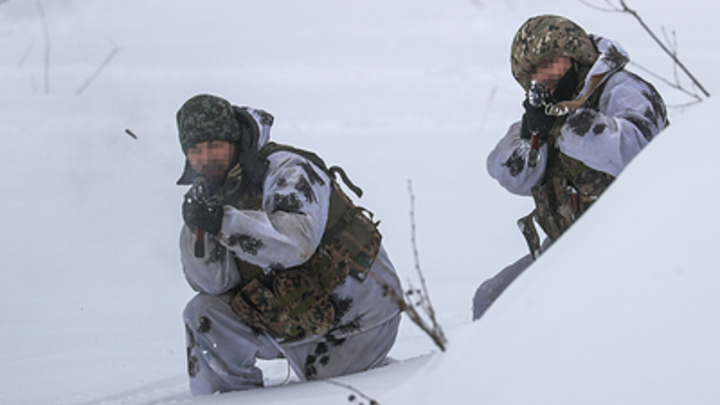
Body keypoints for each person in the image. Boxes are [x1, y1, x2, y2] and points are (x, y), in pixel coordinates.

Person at [176, 94, 402, 395]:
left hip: (359, 320)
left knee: (330, 389)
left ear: (234, 141)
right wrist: (198, 228)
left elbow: (296, 244)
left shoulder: (289, 169)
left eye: (215, 146)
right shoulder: (214, 194)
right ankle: (227, 399)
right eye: (196, 151)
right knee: (203, 314)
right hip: (294, 317)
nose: (206, 159)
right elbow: (214, 284)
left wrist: (223, 222)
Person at [473, 15, 668, 320]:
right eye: (534, 72)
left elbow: (639, 151)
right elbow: (509, 176)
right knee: (490, 300)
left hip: (637, 248)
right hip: (572, 247)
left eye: (551, 63)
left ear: (575, 55)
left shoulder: (623, 90)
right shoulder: (555, 104)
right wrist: (531, 134)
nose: (543, 76)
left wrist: (568, 124)